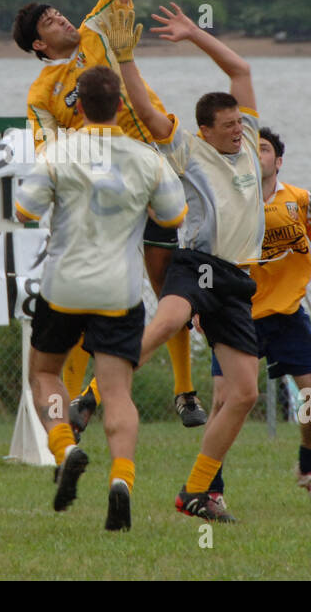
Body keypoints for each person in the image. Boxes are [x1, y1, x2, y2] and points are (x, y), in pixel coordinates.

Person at [11, 0, 204, 429]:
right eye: (48, 21)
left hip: (163, 154)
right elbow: (48, 153)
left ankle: (185, 391)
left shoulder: (99, 27)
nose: (61, 18)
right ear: (38, 45)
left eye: (57, 12)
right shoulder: (43, 91)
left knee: (171, 279)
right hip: (112, 181)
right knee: (121, 287)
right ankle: (97, 393)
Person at [14, 66, 187, 531]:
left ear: (78, 105)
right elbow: (173, 216)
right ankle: (121, 481)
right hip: (119, 290)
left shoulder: (58, 151)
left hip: (63, 285)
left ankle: (66, 448)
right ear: (121, 104)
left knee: (46, 374)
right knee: (116, 392)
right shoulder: (147, 158)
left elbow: (24, 209)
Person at [115, 2, 268, 521]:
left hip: (237, 280)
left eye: (236, 123)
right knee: (173, 317)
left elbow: (240, 69)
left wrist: (195, 33)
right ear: (204, 130)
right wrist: (127, 60)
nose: (235, 131)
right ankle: (101, 388)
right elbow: (147, 112)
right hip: (199, 263)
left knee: (244, 393)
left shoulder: (247, 141)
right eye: (225, 125)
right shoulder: (187, 149)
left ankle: (196, 492)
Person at [207, 130, 311, 519]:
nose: (257, 154)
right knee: (224, 402)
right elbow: (197, 253)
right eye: (251, 149)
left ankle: (307, 469)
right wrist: (195, 306)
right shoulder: (225, 200)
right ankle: (210, 490)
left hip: (286, 316)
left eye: (265, 149)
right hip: (235, 314)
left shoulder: (301, 201)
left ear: (278, 161)